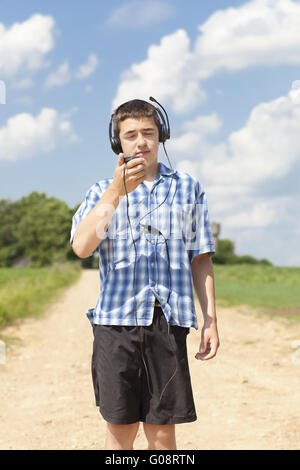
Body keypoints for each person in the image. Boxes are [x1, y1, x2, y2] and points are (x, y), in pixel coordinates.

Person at [70, 98, 220, 450]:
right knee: (120, 431)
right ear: (118, 142)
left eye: (149, 133)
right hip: (115, 324)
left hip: (167, 323)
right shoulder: (100, 191)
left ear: (161, 136)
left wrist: (211, 319)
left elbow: (200, 259)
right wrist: (116, 192)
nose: (141, 142)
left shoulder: (187, 187)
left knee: (163, 433)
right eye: (131, 134)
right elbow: (82, 247)